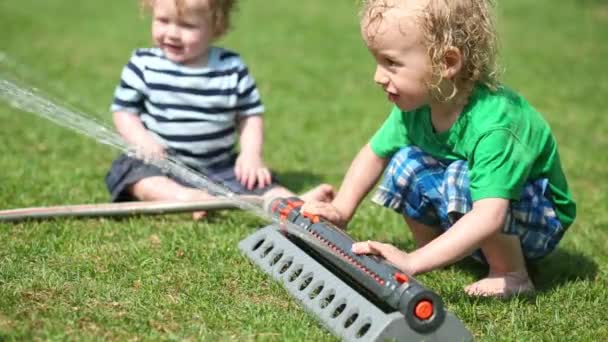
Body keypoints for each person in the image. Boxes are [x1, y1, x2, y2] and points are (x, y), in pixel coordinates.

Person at [302, 0, 576, 298]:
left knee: (461, 174)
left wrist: (411, 263)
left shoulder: (494, 125)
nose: (378, 77)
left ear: (446, 63)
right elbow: (375, 152)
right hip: (487, 213)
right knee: (406, 163)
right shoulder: (418, 107)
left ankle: (511, 273)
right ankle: (437, 250)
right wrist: (341, 208)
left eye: (391, 63)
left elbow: (489, 215)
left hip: (537, 222)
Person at [105, 0, 333, 219]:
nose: (172, 33)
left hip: (218, 165)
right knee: (136, 176)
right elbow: (124, 111)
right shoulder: (143, 64)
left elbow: (249, 116)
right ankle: (184, 197)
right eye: (163, 20)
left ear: (217, 26)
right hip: (161, 163)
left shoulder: (231, 67)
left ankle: (295, 204)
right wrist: (142, 140)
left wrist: (250, 155)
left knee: (255, 181)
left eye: (187, 25)